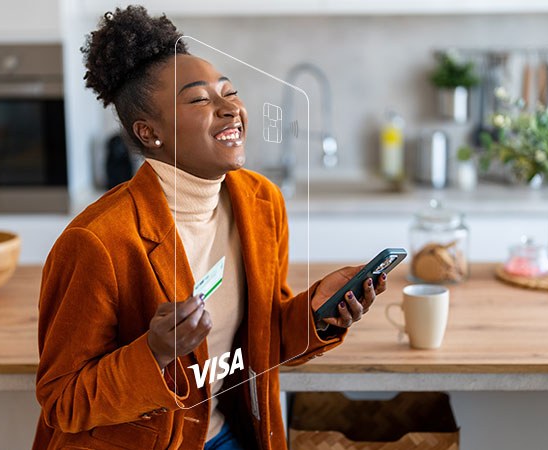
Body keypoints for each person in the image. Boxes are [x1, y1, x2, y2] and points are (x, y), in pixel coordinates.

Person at [32, 5, 388, 450]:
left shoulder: (260, 202)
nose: (230, 109)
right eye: (200, 99)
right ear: (149, 132)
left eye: (229, 91)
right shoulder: (97, 241)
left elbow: (258, 342)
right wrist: (155, 353)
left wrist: (317, 312)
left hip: (226, 432)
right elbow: (63, 401)